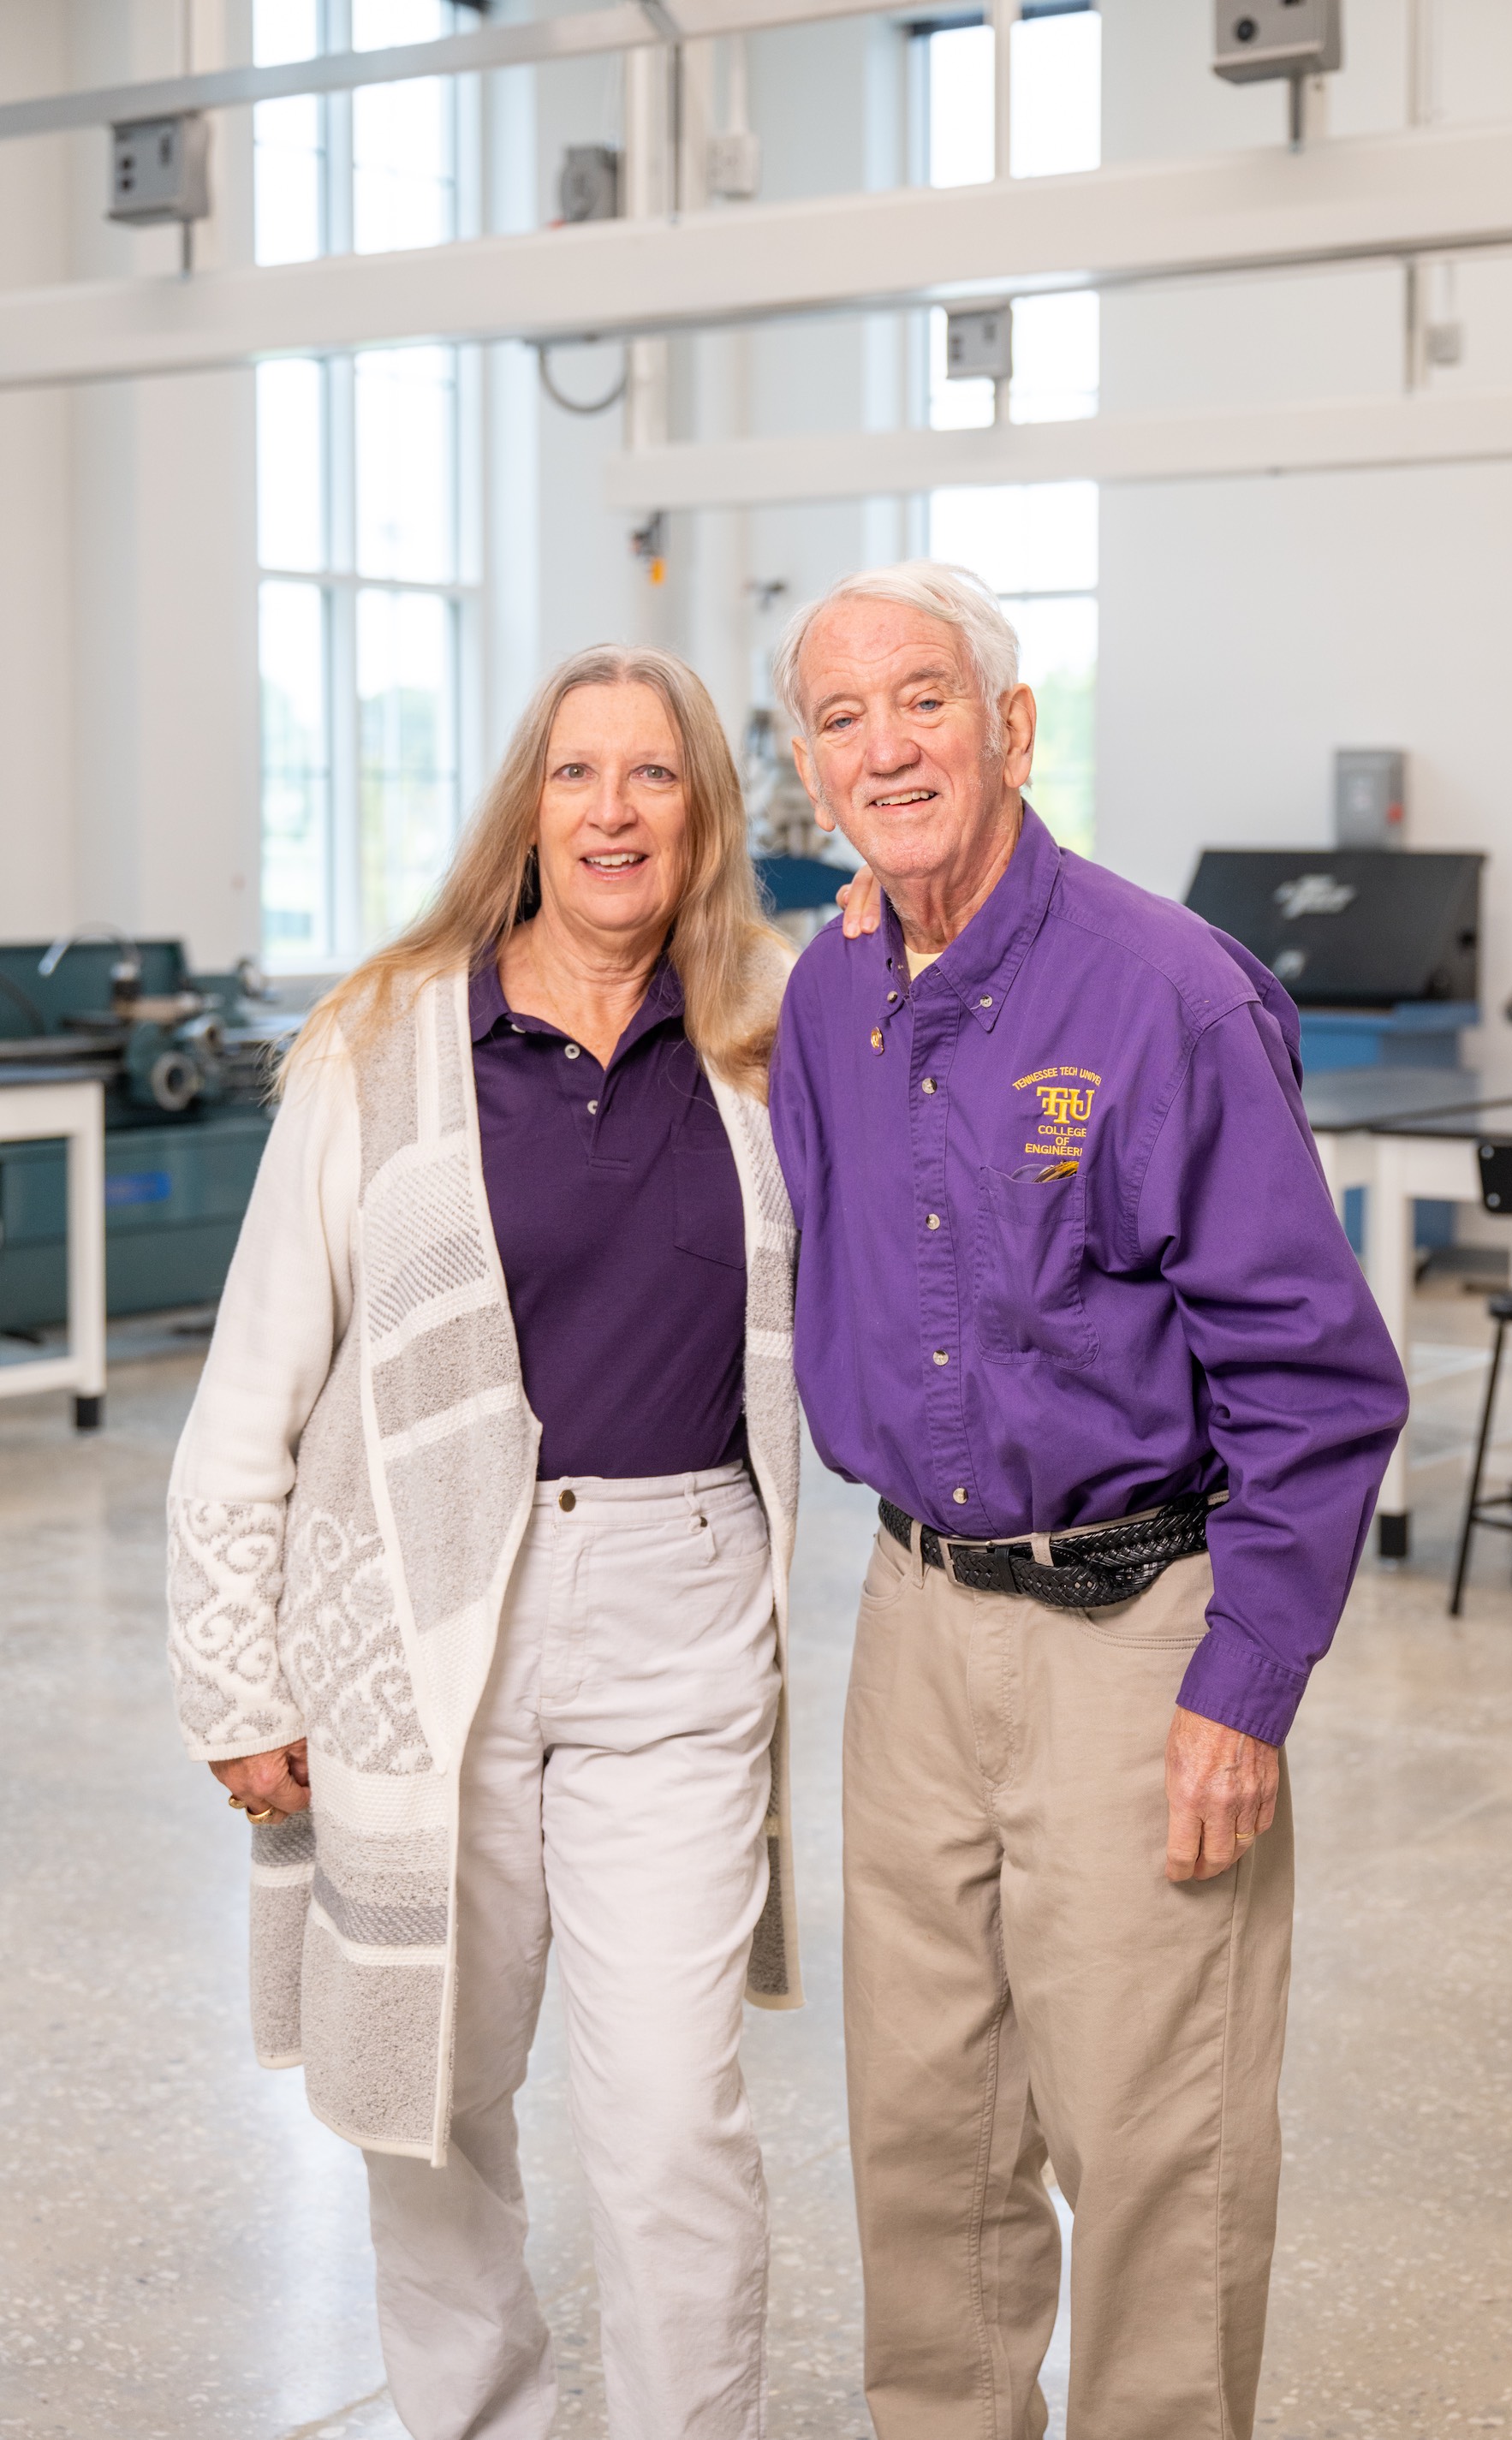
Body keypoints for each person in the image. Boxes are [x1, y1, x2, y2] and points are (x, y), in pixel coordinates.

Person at [767, 562, 1409, 2440]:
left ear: (1010, 725)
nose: (885, 746)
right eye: (839, 716)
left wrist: (1242, 1685)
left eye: (923, 700)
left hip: (1139, 1631)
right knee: (920, 2126)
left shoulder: (1167, 999)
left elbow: (1312, 1379)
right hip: (910, 1618)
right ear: (807, 769)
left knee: (1151, 2144)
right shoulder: (825, 997)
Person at [166, 646, 804, 2440]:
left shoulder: (768, 1040)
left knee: (675, 2118)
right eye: (576, 774)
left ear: (705, 813)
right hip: (420, 1619)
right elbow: (255, 1385)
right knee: (432, 2095)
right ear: (526, 805)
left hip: (678, 1616)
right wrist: (234, 1671)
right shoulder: (386, 1038)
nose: (612, 811)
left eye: (654, 777)